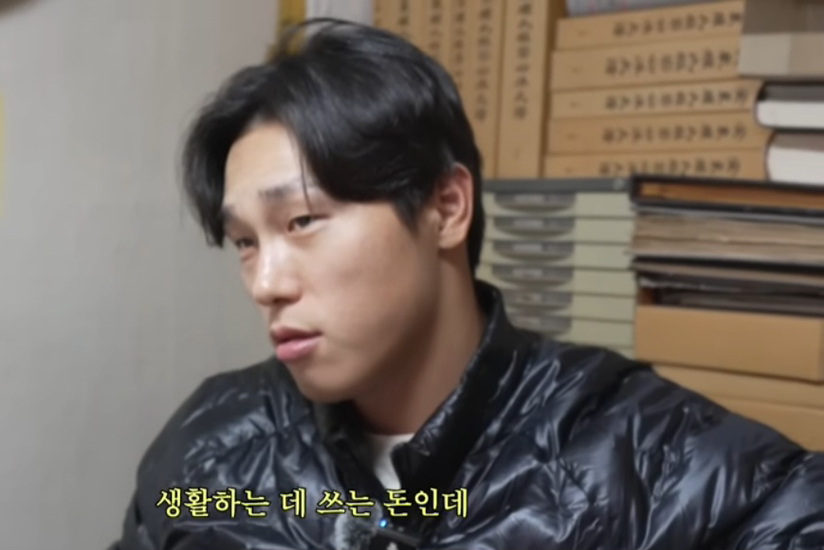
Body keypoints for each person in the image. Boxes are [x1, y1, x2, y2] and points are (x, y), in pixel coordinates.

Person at [108, 19, 824, 550]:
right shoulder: (209, 448)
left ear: (446, 208)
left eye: (301, 221)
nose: (264, 283)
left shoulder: (638, 453)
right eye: (245, 243)